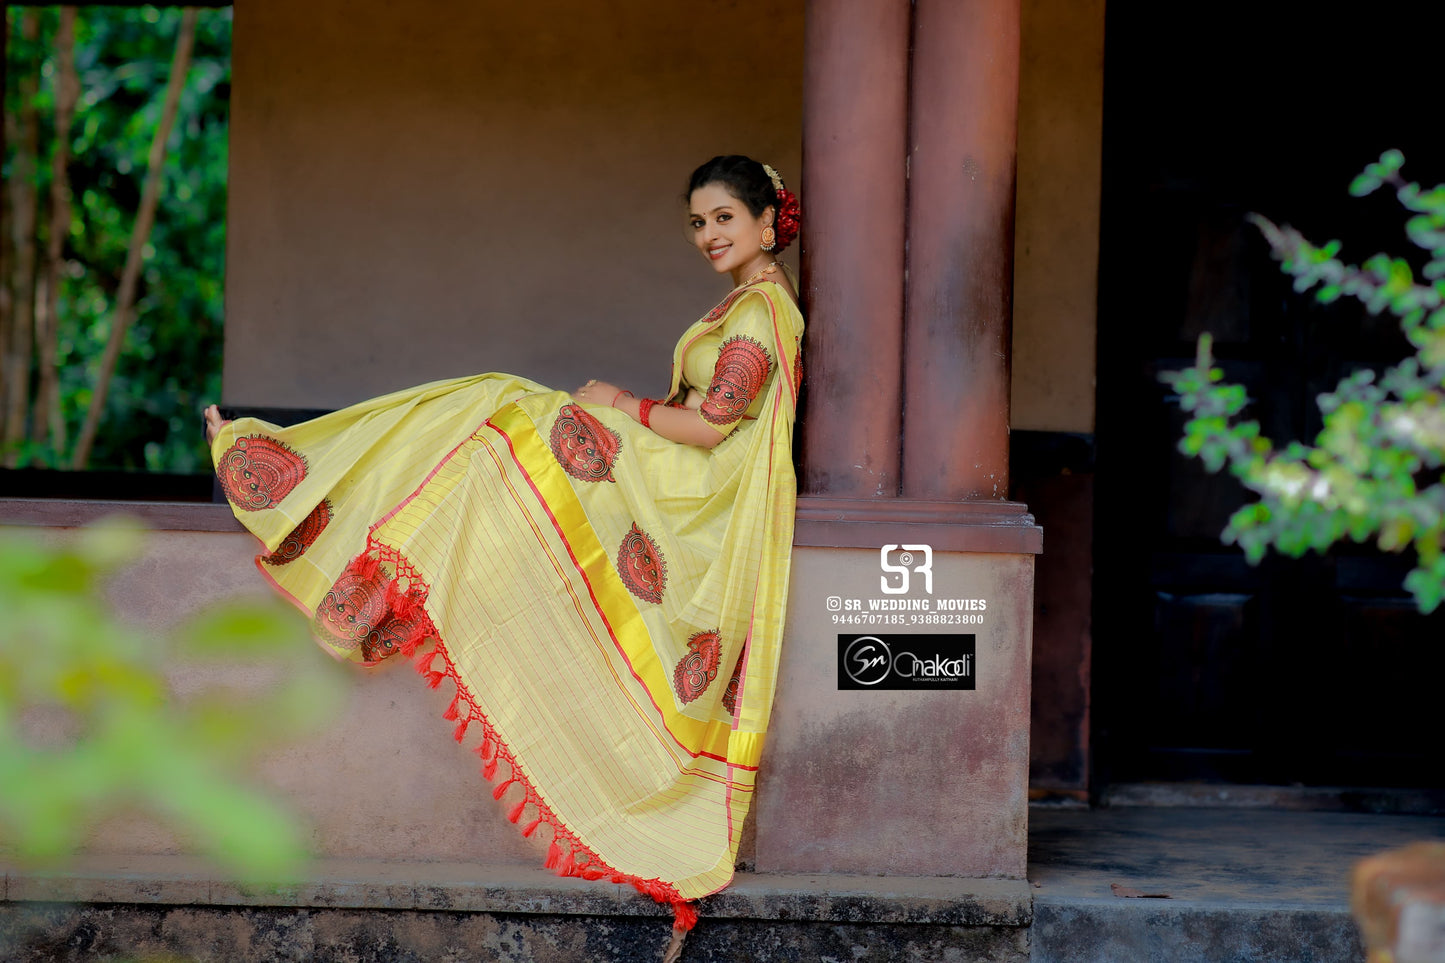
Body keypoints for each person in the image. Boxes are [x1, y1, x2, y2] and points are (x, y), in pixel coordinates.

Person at [204, 155, 803, 960]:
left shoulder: (763, 313)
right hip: (675, 467)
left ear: (768, 222)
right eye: (697, 222)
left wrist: (620, 405)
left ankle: (364, 561)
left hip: (693, 491)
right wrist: (628, 410)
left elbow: (709, 427)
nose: (707, 235)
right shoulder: (747, 303)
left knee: (501, 412)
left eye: (724, 218)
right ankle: (360, 555)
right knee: (491, 407)